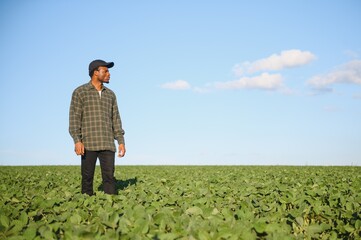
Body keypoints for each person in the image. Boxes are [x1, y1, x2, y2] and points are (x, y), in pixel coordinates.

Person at [69, 59, 126, 195]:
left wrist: (121, 142)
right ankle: (86, 210)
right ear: (96, 72)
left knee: (109, 179)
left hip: (107, 143)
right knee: (87, 179)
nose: (108, 74)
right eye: (105, 71)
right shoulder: (80, 92)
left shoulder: (111, 94)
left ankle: (111, 207)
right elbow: (74, 119)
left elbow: (116, 119)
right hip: (88, 143)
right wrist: (77, 140)